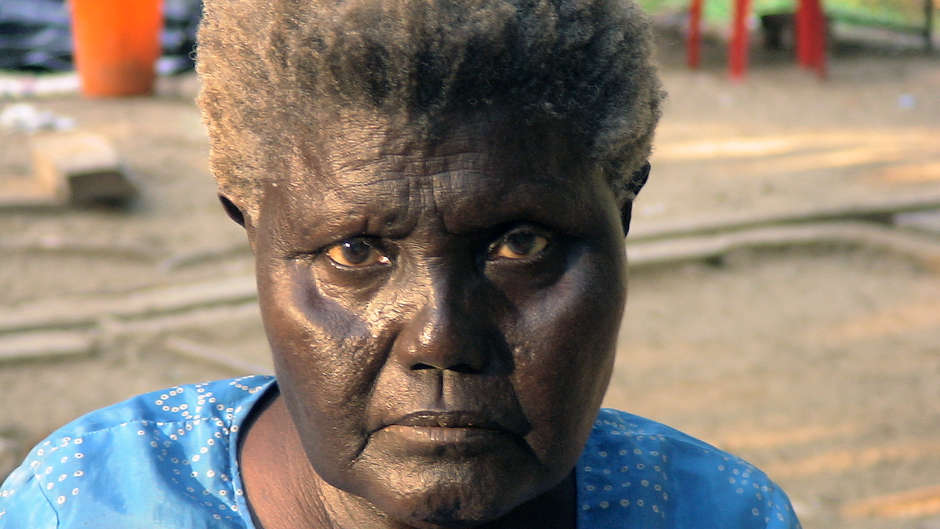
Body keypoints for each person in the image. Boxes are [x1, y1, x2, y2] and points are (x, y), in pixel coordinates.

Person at [0, 1, 802, 528]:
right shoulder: (85, 504)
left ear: (621, 219)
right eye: (354, 251)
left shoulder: (715, 513)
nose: (441, 337)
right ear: (253, 234)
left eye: (521, 245)